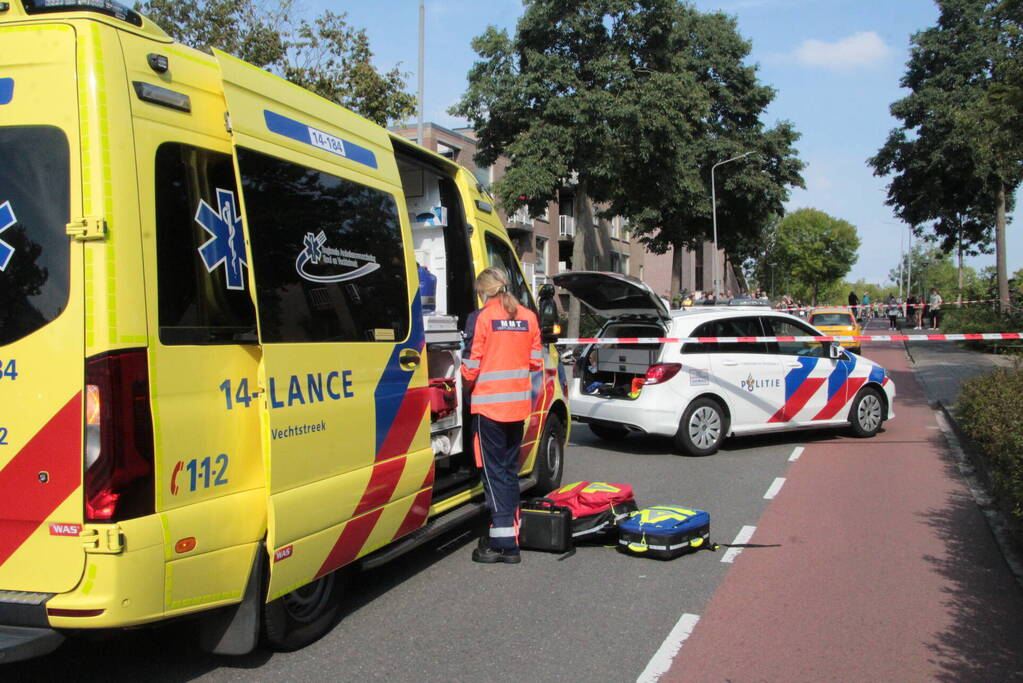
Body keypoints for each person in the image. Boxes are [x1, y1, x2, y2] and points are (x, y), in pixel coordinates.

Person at [462, 267, 542, 564]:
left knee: (493, 475)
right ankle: (511, 533)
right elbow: (535, 362)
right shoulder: (528, 317)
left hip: (489, 409)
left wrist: (460, 383)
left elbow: (471, 366)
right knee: (508, 473)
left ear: (484, 291)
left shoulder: (482, 318)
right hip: (517, 408)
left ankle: (504, 544)